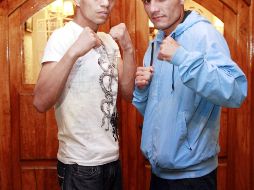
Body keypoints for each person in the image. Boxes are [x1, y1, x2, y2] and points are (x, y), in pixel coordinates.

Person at [133, 0, 247, 189]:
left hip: (193, 178)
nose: (152, 9)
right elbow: (158, 113)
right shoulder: (156, 42)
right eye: (146, 1)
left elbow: (235, 91)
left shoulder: (204, 34)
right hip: (158, 174)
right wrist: (143, 90)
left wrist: (182, 57)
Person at [33, 0, 135, 189]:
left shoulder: (108, 41)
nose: (106, 3)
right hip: (79, 165)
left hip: (112, 161)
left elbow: (129, 94)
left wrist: (128, 49)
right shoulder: (62, 37)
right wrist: (74, 52)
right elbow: (40, 102)